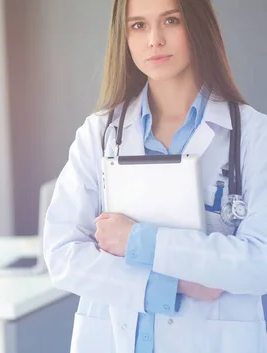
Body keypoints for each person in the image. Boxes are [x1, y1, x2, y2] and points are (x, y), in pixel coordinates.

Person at [42, 0, 267, 352]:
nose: (154, 40)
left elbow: (261, 263)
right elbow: (63, 254)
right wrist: (172, 284)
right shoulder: (99, 134)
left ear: (197, 26)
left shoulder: (253, 135)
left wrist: (137, 240)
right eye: (138, 26)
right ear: (124, 37)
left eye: (171, 21)